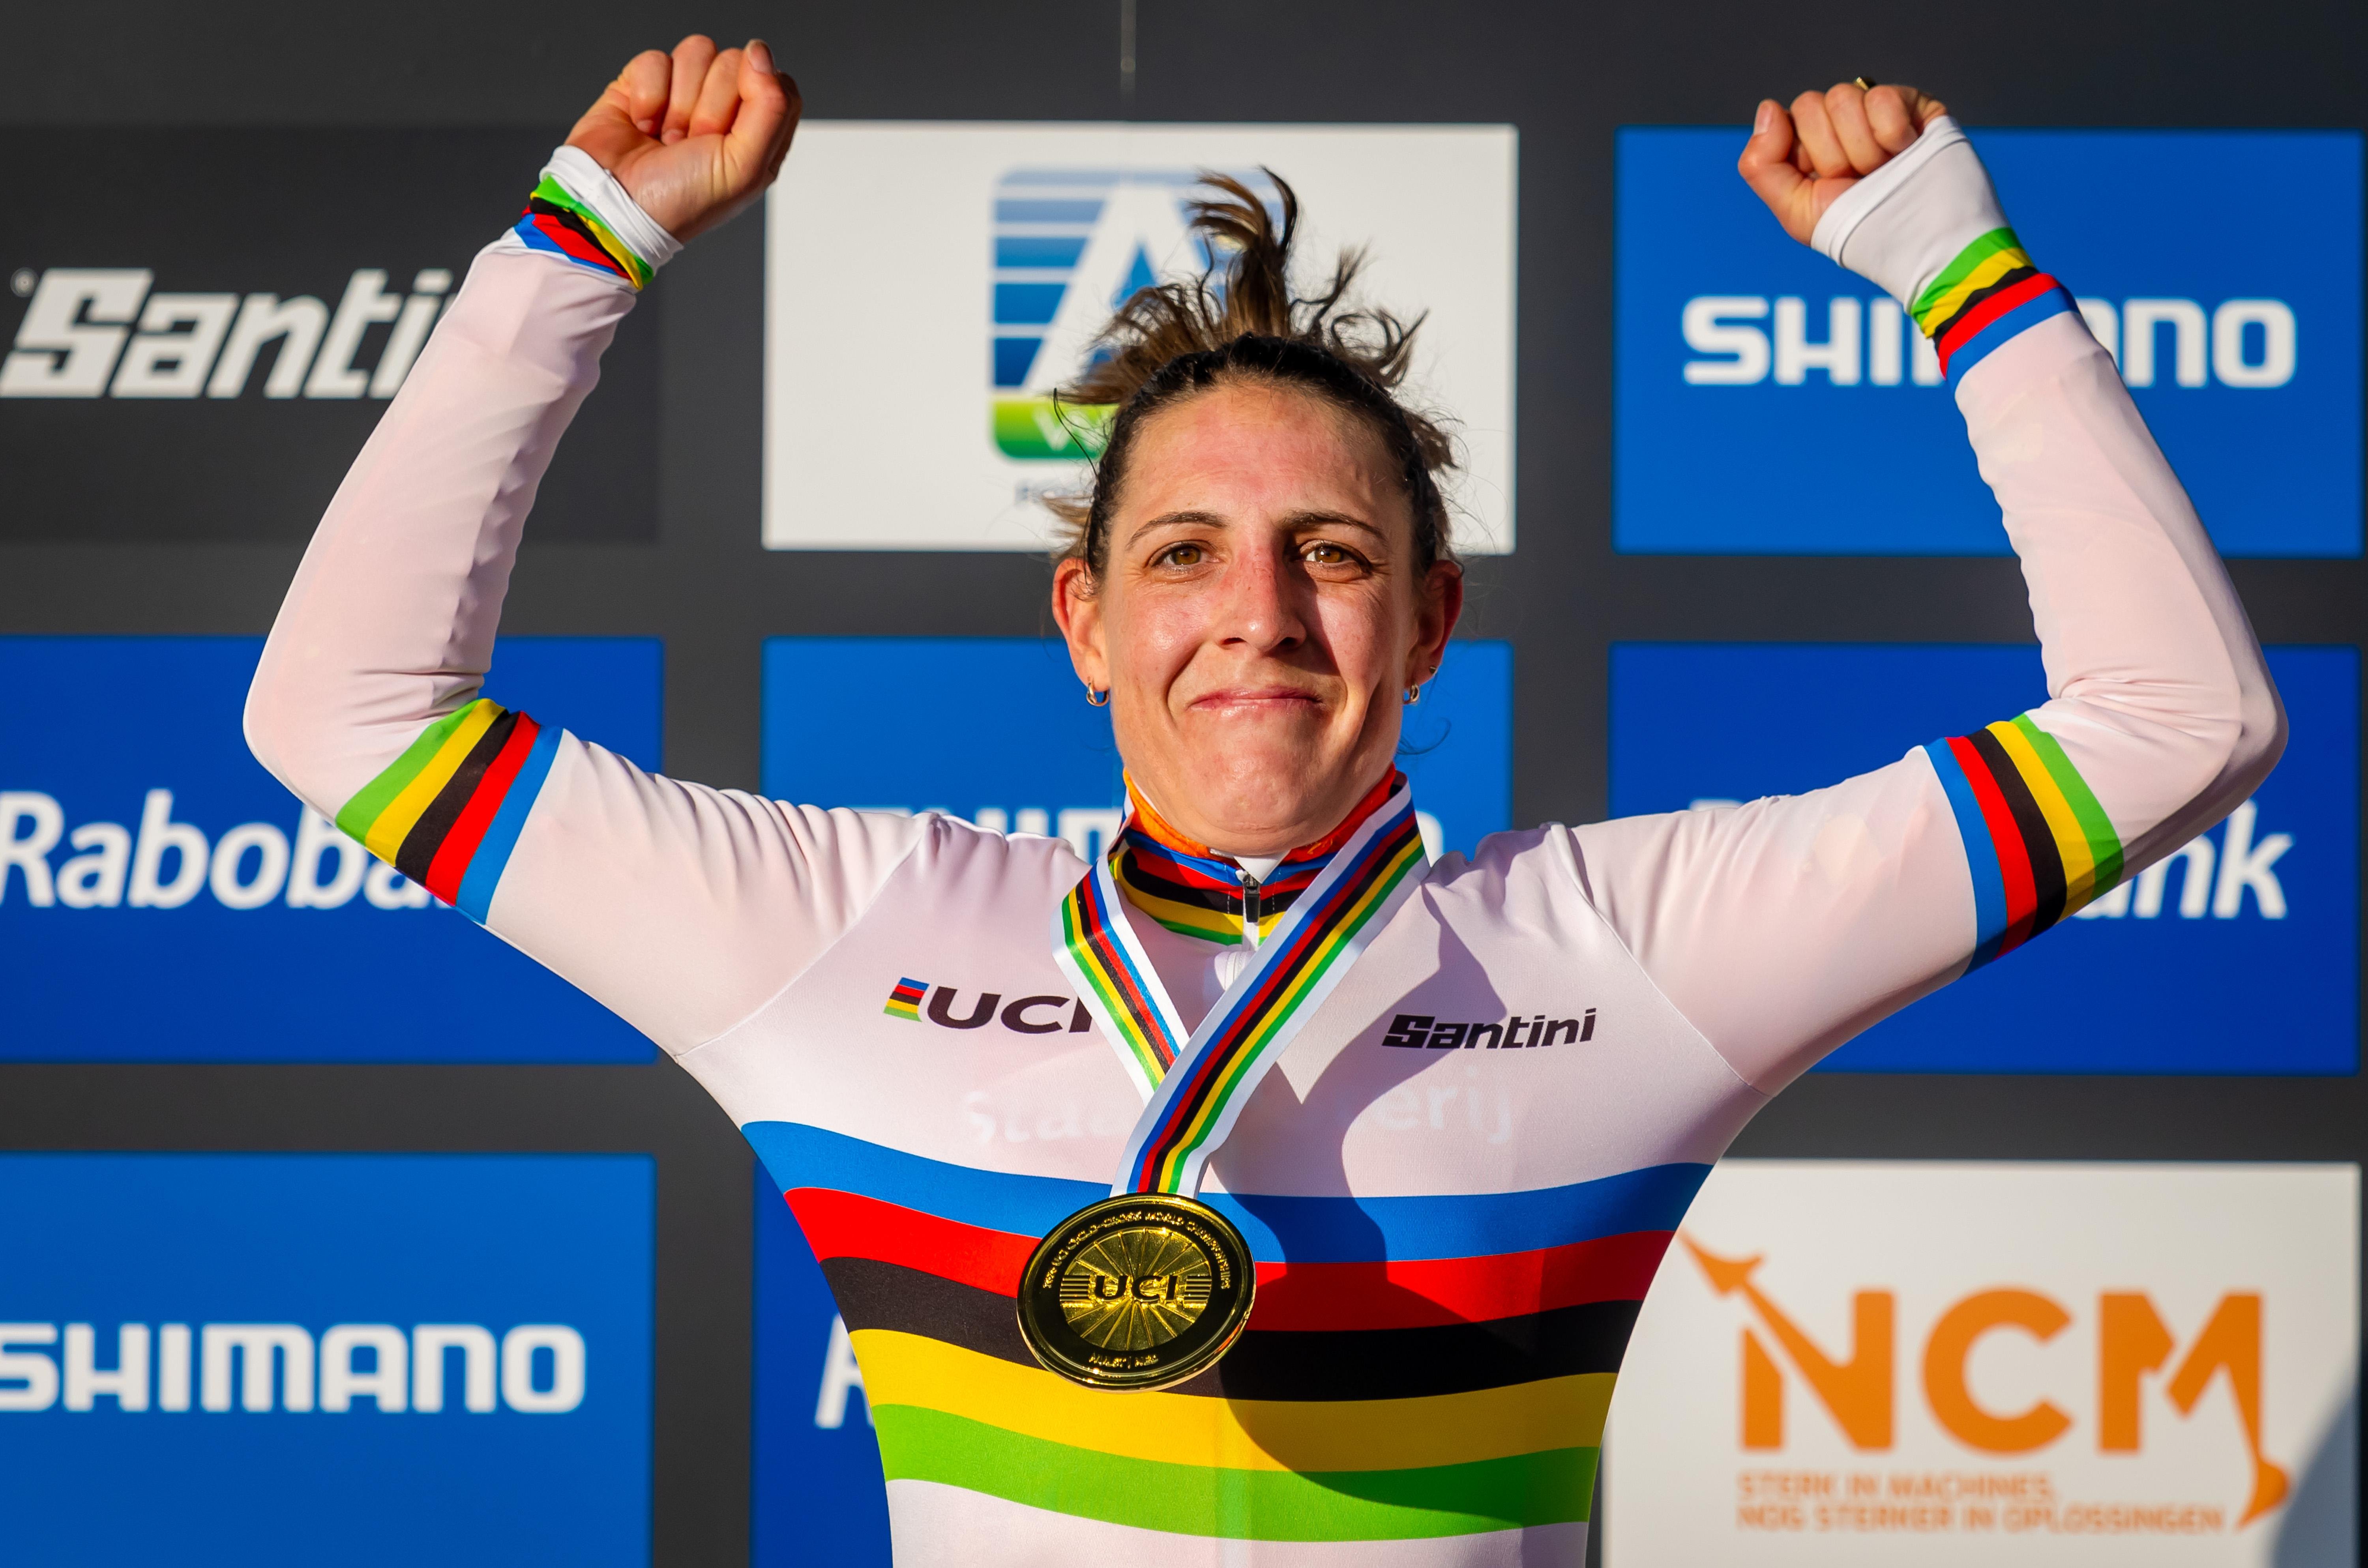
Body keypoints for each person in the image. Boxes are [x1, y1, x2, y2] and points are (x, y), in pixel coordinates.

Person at [245, 35, 2282, 1568]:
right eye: (1185, 554)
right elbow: (344, 710)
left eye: (1330, 549)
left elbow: (2177, 715)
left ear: (1428, 620)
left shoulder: (1624, 948)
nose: (1260, 612)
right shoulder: (851, 933)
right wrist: (573, 256)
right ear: (1087, 620)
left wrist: (1961, 271)